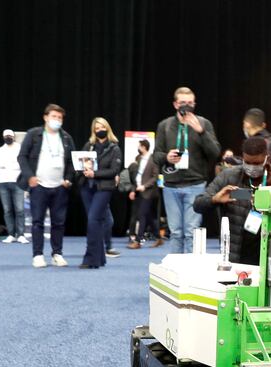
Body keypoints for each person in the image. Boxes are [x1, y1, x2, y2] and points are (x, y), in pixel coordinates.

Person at [193, 137, 271, 264]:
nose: (252, 167)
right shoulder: (229, 176)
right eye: (248, 162)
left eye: (257, 163)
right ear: (242, 157)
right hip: (236, 255)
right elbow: (198, 205)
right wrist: (214, 199)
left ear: (266, 158)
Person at [152, 87, 221, 253]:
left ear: (195, 104)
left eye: (190, 103)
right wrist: (166, 157)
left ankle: (190, 273)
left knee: (191, 232)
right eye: (183, 103)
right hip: (171, 185)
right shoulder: (165, 126)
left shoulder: (204, 124)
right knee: (175, 232)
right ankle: (175, 272)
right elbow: (156, 155)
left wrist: (201, 132)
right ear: (175, 104)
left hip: (195, 185)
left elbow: (215, 153)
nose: (186, 106)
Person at [18, 103, 75, 268]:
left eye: (60, 117)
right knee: (38, 222)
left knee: (59, 222)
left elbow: (72, 162)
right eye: (54, 116)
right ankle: (38, 255)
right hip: (39, 186)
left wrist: (68, 179)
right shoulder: (34, 134)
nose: (57, 120)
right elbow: (22, 156)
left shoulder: (66, 138)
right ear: (45, 117)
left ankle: (57, 254)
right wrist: (30, 177)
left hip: (60, 187)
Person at [77, 117, 122, 269]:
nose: (99, 130)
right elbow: (79, 164)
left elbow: (114, 170)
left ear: (107, 128)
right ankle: (100, 258)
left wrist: (95, 173)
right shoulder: (88, 146)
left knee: (93, 220)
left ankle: (90, 258)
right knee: (94, 223)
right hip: (87, 188)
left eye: (102, 127)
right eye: (96, 128)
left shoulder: (114, 148)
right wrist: (83, 169)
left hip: (104, 188)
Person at [0, 129, 29, 244]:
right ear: (3, 137)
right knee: (7, 210)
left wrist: (9, 164)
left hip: (18, 181)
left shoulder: (20, 148)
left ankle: (21, 235)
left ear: (13, 137)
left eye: (10, 135)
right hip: (3, 182)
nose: (8, 137)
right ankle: (11, 234)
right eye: (6, 136)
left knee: (19, 209)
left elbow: (21, 163)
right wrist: (12, 163)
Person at [128, 139, 163, 249]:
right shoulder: (139, 159)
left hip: (148, 192)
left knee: (142, 215)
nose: (138, 148)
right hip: (139, 191)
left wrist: (145, 186)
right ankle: (158, 237)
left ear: (143, 147)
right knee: (148, 216)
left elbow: (155, 177)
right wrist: (133, 190)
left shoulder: (153, 159)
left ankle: (138, 241)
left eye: (139, 146)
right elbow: (137, 176)